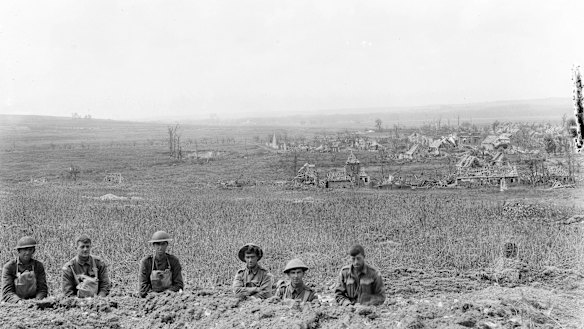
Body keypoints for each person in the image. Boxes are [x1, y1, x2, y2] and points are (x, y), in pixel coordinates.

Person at [1, 236, 48, 303]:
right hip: (13, 303)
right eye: (25, 250)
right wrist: (19, 302)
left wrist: (37, 301)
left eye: (30, 250)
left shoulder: (38, 266)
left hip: (34, 302)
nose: (27, 252)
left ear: (33, 251)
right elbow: (7, 292)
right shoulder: (9, 267)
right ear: (19, 251)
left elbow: (42, 289)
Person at [138, 231, 184, 298]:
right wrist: (155, 296)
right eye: (158, 244)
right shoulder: (146, 262)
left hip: (170, 297)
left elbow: (179, 285)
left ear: (167, 245)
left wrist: (166, 294)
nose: (160, 247)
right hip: (151, 298)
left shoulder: (173, 261)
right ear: (153, 245)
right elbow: (143, 288)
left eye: (163, 244)